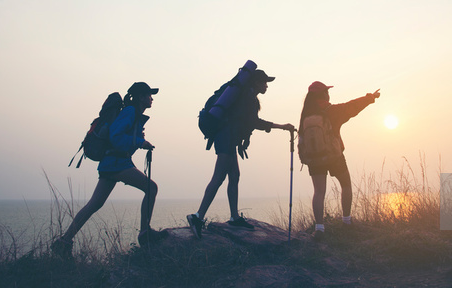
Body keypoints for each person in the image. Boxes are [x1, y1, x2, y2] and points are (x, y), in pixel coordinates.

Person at [51, 82, 167, 258]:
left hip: (111, 163)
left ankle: (64, 241)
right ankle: (145, 233)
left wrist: (139, 140)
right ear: (142, 97)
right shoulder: (130, 112)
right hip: (117, 163)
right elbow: (115, 136)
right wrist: (139, 142)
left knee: (94, 204)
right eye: (149, 95)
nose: (152, 99)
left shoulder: (133, 113)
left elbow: (121, 136)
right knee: (151, 188)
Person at [187, 69, 295, 238]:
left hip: (227, 137)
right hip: (227, 138)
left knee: (235, 176)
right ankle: (197, 217)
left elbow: (245, 123)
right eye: (264, 82)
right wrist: (281, 126)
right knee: (219, 177)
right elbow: (254, 122)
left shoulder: (247, 97)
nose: (266, 85)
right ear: (256, 83)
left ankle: (234, 217)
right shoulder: (248, 99)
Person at [299, 81, 380, 241]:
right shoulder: (331, 111)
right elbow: (351, 107)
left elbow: (302, 139)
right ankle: (347, 221)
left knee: (319, 192)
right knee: (346, 185)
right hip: (334, 156)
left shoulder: (305, 115)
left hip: (315, 159)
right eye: (326, 91)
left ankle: (320, 228)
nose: (328, 94)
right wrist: (370, 98)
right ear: (323, 94)